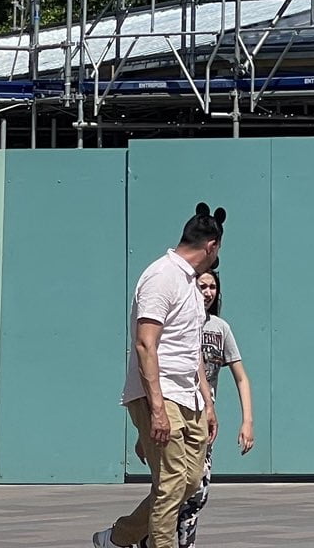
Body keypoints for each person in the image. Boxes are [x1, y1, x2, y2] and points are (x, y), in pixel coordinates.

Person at [96, 203, 226, 548]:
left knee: (189, 482)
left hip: (189, 396)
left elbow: (191, 350)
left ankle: (118, 538)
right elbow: (145, 344)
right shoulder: (161, 276)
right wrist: (155, 410)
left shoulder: (191, 285)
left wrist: (208, 403)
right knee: (171, 484)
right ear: (211, 245)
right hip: (160, 393)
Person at [174, 267, 256, 548]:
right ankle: (136, 534)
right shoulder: (178, 325)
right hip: (178, 414)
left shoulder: (220, 329)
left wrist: (247, 421)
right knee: (174, 488)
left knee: (198, 493)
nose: (208, 292)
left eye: (212, 287)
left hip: (205, 422)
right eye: (202, 286)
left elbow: (241, 377)